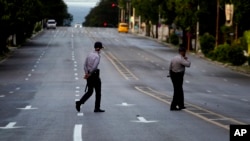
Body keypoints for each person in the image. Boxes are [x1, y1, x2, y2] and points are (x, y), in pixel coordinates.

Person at [75, 41, 105, 113]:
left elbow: (84, 65)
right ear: (99, 48)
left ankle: (79, 103)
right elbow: (94, 67)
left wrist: (86, 73)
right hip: (94, 75)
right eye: (100, 48)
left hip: (88, 75)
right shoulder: (97, 56)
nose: (101, 50)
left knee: (90, 91)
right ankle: (96, 108)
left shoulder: (89, 54)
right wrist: (90, 73)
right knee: (98, 92)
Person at [169, 46, 191, 111]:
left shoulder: (174, 58)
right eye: (185, 52)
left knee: (179, 90)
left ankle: (181, 105)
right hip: (178, 75)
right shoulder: (181, 59)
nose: (185, 53)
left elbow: (170, 67)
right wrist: (187, 59)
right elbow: (188, 64)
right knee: (177, 91)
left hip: (173, 74)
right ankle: (173, 106)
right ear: (182, 52)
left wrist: (170, 74)